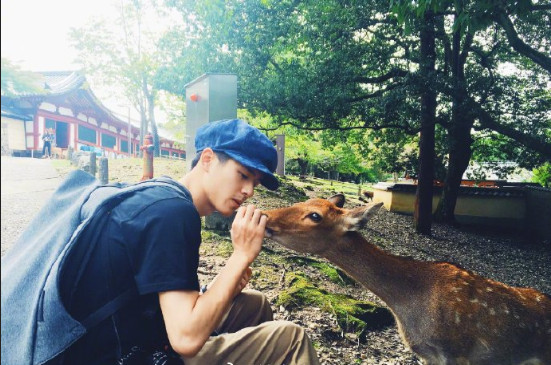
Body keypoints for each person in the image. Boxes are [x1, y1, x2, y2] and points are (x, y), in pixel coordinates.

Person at [52, 119, 320, 364]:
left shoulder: (162, 195)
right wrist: (240, 256)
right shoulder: (173, 213)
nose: (249, 191)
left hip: (134, 332)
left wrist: (222, 284)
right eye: (243, 175)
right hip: (116, 354)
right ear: (207, 159)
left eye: (256, 183)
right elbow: (185, 339)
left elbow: (153, 296)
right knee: (291, 339)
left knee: (253, 304)